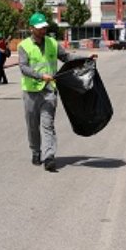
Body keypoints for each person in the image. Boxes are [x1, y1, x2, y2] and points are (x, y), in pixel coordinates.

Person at [19, 12, 88, 172]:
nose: (43, 30)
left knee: (48, 124)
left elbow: (66, 57)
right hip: (31, 92)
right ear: (31, 29)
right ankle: (36, 151)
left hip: (49, 91)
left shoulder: (52, 43)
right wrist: (40, 76)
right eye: (39, 28)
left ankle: (49, 157)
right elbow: (23, 67)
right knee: (32, 126)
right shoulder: (24, 46)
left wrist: (85, 59)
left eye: (44, 27)